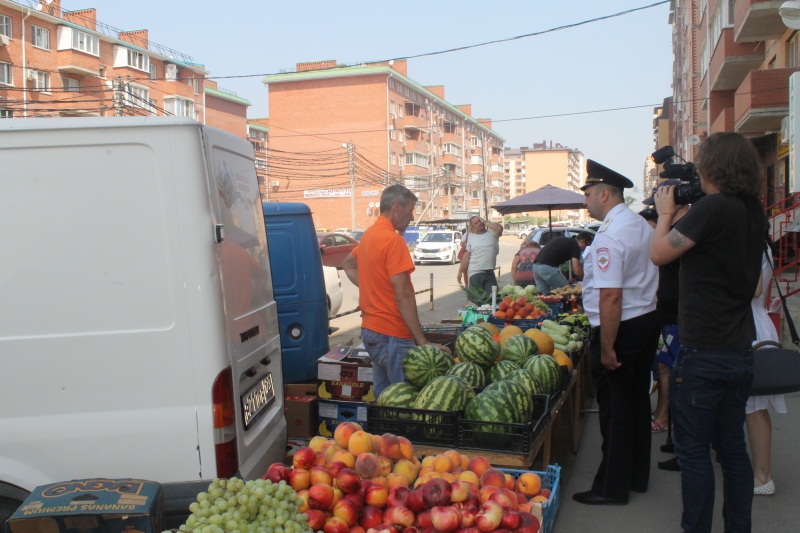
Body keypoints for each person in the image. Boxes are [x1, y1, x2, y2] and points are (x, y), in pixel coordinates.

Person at [650, 132, 767, 532]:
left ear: (714, 169)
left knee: (694, 453)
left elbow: (659, 253)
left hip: (702, 352)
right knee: (732, 451)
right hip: (738, 350)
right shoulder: (753, 209)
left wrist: (665, 211)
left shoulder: (712, 208)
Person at [572, 159, 660, 507]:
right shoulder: (639, 225)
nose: (586, 202)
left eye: (589, 194)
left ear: (605, 194)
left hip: (620, 329)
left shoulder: (611, 235)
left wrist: (607, 347)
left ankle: (611, 486)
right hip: (644, 322)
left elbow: (610, 295)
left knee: (616, 410)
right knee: (637, 403)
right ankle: (637, 476)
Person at [342, 184, 451, 396]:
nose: (411, 218)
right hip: (393, 335)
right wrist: (423, 342)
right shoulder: (393, 240)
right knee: (404, 400)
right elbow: (404, 296)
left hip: (371, 333)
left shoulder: (369, 236)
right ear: (397, 206)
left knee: (386, 398)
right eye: (410, 210)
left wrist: (372, 287)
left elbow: (348, 264)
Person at [641, 180, 686, 438]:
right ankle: (661, 412)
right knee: (662, 366)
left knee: (668, 368)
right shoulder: (670, 228)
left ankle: (666, 416)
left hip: (677, 314)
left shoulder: (678, 231)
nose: (655, 209)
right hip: (666, 312)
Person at [746, 239, 786, 496]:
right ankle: (762, 474)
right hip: (755, 323)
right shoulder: (759, 243)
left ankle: (762, 476)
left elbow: (754, 289)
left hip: (751, 325)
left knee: (755, 404)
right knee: (754, 404)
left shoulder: (750, 243)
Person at [457, 215, 503, 295]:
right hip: (475, 273)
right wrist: (460, 272)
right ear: (473, 227)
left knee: (493, 299)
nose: (479, 223)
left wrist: (484, 221)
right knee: (475, 300)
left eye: (479, 221)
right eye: (476, 223)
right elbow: (466, 256)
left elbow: (499, 228)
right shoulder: (471, 237)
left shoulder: (492, 234)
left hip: (490, 273)